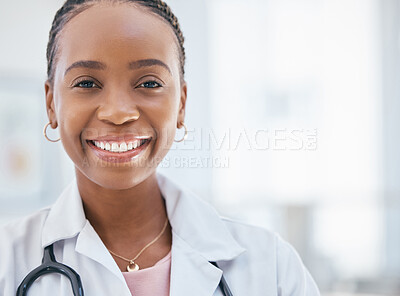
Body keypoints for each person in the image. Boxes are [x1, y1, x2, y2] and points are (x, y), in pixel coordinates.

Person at [0, 0, 321, 295]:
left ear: (181, 104)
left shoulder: (273, 267)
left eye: (149, 83)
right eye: (86, 83)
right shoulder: (7, 261)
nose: (118, 112)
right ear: (51, 104)